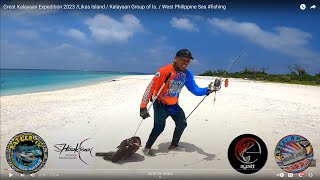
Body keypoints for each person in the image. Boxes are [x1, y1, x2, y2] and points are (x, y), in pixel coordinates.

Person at [139, 49, 221, 156]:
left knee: (182, 123)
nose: (185, 63)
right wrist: (143, 107)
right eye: (183, 60)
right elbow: (150, 88)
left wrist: (209, 89)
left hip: (173, 105)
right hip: (160, 104)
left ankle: (174, 145)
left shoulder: (187, 74)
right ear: (175, 59)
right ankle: (147, 148)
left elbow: (195, 90)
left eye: (188, 61)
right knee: (159, 127)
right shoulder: (164, 71)